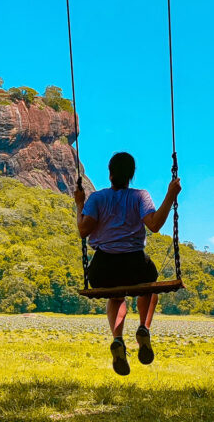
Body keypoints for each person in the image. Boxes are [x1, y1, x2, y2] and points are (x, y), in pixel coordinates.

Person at [74, 152, 182, 376]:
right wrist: (170, 195)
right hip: (136, 266)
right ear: (132, 175)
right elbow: (154, 225)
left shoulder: (96, 198)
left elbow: (83, 230)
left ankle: (117, 339)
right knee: (149, 288)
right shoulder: (140, 197)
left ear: (110, 174)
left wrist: (79, 204)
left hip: (103, 269)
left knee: (116, 296)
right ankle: (143, 328)